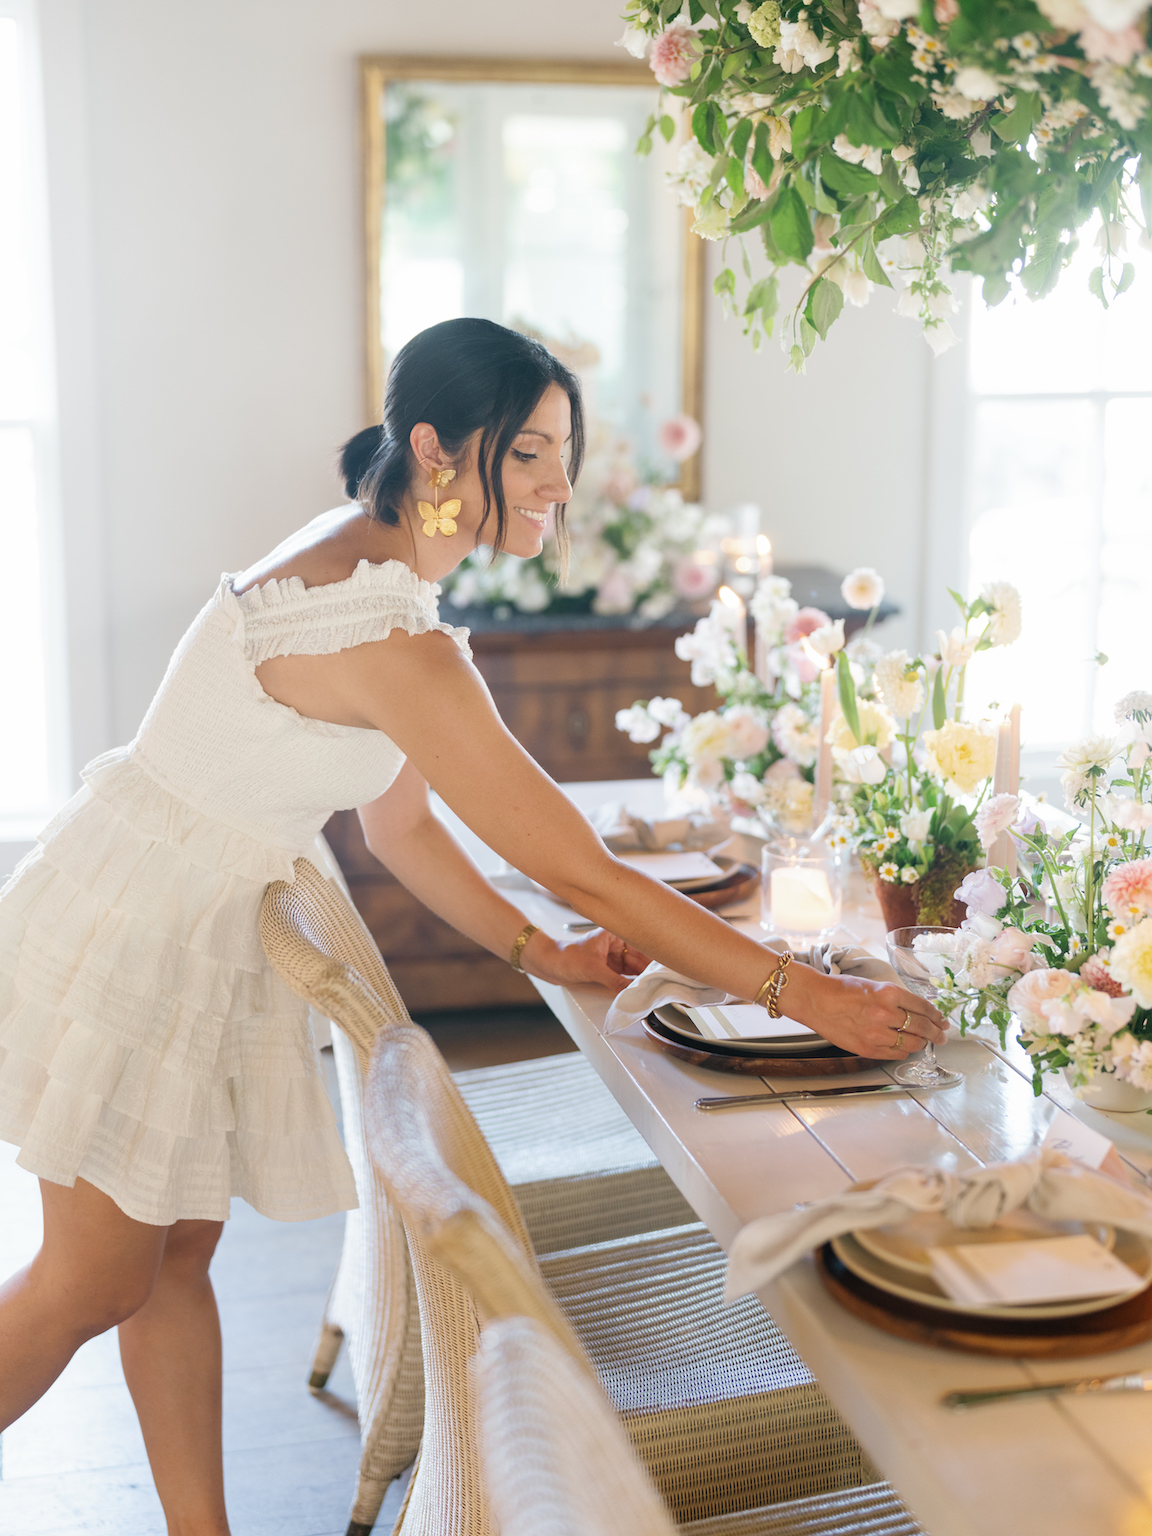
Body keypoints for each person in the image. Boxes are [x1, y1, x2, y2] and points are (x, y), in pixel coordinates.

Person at [0, 317, 944, 1534]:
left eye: (565, 451)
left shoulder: (369, 577)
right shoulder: (388, 633)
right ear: (440, 451)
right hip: (138, 922)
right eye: (534, 454)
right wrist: (803, 992)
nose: (562, 484)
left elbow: (404, 831)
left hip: (167, 897)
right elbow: (588, 870)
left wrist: (535, 953)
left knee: (171, 1259)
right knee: (95, 1276)